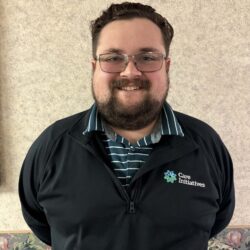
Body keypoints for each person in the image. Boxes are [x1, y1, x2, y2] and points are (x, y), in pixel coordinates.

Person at [18, 2, 235, 250]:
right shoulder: (51, 146)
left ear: (166, 66)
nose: (130, 72)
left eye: (147, 57)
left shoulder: (206, 145)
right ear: (94, 68)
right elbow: (41, 224)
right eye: (112, 58)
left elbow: (217, 221)